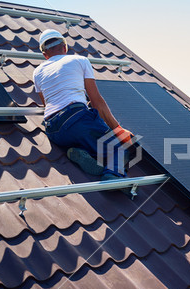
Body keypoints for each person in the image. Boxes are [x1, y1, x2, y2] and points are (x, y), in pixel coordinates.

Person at [33, 29, 132, 180]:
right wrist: (118, 130)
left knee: (86, 137)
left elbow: (46, 104)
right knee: (119, 148)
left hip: (53, 131)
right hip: (77, 120)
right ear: (65, 48)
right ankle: (112, 175)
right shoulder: (80, 60)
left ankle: (80, 151)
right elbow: (96, 101)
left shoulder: (37, 72)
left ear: (45, 55)